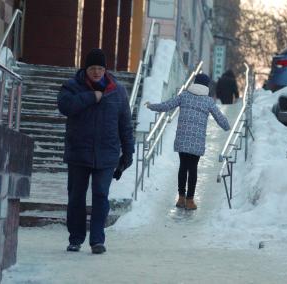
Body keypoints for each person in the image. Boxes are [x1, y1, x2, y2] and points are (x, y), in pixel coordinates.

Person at [57, 48, 134, 254]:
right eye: (93, 68)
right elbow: (65, 106)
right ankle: (76, 238)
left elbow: (125, 123)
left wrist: (128, 153)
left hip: (107, 154)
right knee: (76, 197)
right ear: (86, 68)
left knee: (101, 195)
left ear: (105, 69)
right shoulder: (72, 87)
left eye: (100, 68)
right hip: (78, 152)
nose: (97, 72)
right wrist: (92, 97)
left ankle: (97, 239)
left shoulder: (117, 90)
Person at [146, 73, 230, 210]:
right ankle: (190, 200)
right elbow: (219, 117)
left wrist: (151, 106)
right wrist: (227, 126)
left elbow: (167, 105)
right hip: (197, 141)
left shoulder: (184, 95)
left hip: (182, 138)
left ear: (195, 82)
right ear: (206, 86)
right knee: (193, 168)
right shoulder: (208, 101)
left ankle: (180, 198)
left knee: (183, 167)